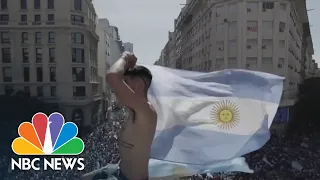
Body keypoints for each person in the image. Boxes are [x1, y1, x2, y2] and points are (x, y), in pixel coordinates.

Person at [82, 52, 157, 180]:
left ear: (139, 85)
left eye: (125, 82)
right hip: (117, 169)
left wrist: (126, 57)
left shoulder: (146, 111)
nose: (116, 91)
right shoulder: (133, 110)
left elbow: (112, 76)